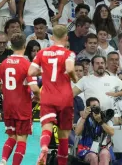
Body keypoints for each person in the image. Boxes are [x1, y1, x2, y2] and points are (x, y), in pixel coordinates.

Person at [27, 25, 78, 165]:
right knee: (63, 135)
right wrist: (74, 78)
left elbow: (31, 72)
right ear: (66, 37)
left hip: (48, 96)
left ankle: (44, 147)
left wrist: (44, 71)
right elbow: (69, 68)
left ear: (52, 37)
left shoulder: (42, 53)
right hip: (64, 97)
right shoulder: (69, 53)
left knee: (47, 127)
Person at [0, 33, 39, 165]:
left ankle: (3, 160)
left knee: (11, 137)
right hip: (22, 107)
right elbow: (35, 88)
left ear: (11, 46)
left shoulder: (3, 63)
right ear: (25, 46)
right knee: (21, 139)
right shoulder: (26, 64)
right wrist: (40, 98)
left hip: (8, 107)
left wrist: (9, 92)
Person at [75, 97, 115, 164]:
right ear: (88, 108)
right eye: (93, 106)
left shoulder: (105, 117)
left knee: (104, 154)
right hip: (86, 148)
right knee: (93, 156)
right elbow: (77, 133)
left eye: (97, 106)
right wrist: (84, 118)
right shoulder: (83, 118)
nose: (96, 108)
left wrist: (100, 121)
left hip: (103, 147)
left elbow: (112, 132)